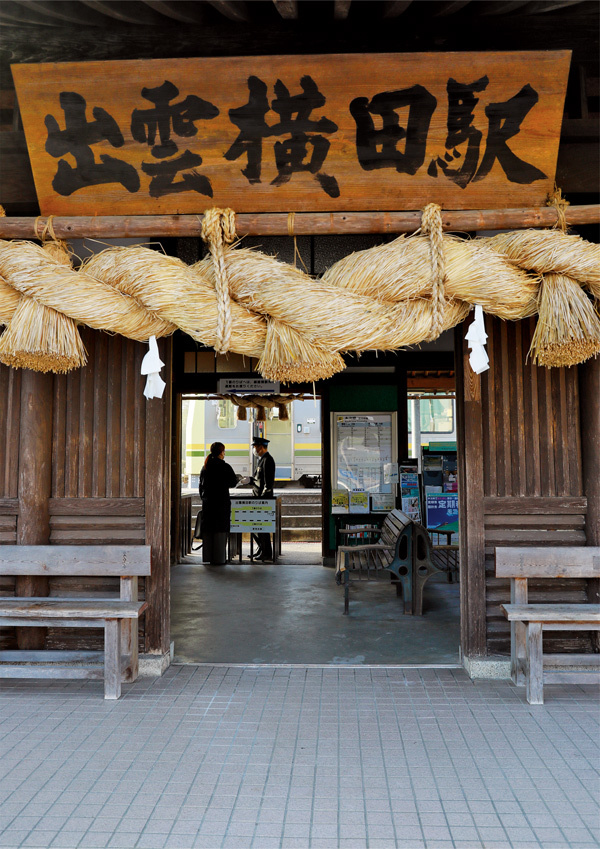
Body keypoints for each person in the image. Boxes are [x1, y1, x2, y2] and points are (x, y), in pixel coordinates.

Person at [199, 441, 238, 565]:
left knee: (209, 530)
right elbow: (232, 482)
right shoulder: (224, 466)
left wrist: (204, 498)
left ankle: (208, 557)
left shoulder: (205, 466)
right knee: (220, 531)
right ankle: (219, 558)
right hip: (221, 505)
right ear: (221, 452)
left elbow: (201, 486)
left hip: (208, 505)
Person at [251, 436, 275, 561]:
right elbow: (258, 479)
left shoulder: (268, 460)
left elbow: (268, 483)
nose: (254, 449)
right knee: (256, 527)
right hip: (258, 498)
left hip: (263, 499)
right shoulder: (262, 460)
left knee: (262, 527)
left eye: (255, 446)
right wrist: (250, 480)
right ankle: (261, 548)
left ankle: (266, 552)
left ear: (260, 447)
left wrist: (263, 500)